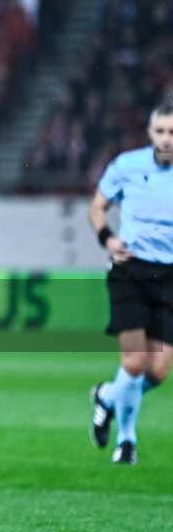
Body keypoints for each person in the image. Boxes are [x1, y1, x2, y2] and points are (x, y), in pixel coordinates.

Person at [88, 102, 173, 466]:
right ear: (150, 134)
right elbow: (97, 207)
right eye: (161, 132)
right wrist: (107, 238)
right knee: (136, 363)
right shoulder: (127, 165)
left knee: (157, 372)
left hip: (169, 276)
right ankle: (126, 441)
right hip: (131, 270)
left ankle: (106, 396)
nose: (167, 140)